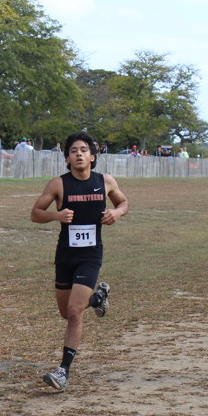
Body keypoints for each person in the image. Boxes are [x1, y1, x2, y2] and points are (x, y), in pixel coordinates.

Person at [31, 131, 129, 391]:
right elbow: (35, 213)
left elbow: (123, 202)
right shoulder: (58, 184)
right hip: (65, 255)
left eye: (84, 150)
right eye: (73, 151)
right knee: (65, 312)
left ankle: (63, 371)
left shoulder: (105, 181)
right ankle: (97, 299)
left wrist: (117, 213)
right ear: (67, 158)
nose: (78, 154)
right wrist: (56, 216)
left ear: (92, 156)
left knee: (75, 311)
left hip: (90, 255)